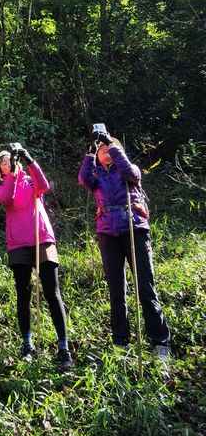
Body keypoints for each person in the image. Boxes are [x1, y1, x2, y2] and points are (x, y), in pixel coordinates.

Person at [78, 127, 171, 362]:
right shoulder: (96, 177)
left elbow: (131, 173)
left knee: (145, 286)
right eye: (101, 150)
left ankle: (160, 341)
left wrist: (111, 144)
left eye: (107, 149)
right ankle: (120, 342)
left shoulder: (128, 170)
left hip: (134, 229)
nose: (104, 151)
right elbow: (83, 178)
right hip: (108, 233)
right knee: (116, 290)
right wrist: (90, 152)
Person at [0, 146, 73, 368]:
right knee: (24, 293)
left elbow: (44, 186)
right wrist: (12, 175)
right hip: (19, 245)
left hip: (42, 239)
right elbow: (8, 197)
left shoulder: (30, 181)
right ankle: (28, 344)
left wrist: (29, 160)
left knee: (52, 291)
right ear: (0, 170)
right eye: (3, 162)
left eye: (9, 161)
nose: (7, 163)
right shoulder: (2, 188)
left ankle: (64, 347)